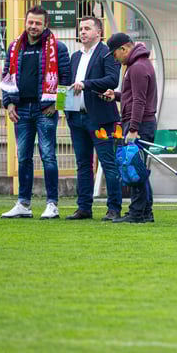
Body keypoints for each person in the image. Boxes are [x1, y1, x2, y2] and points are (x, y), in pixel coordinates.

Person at [0, 6, 71, 219]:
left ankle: (52, 204)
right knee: (23, 158)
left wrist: (57, 105)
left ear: (45, 24)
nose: (33, 26)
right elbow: (6, 77)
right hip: (21, 110)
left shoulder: (58, 48)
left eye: (37, 23)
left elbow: (66, 79)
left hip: (45, 110)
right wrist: (9, 104)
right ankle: (23, 204)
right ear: (25, 22)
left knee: (48, 156)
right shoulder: (14, 47)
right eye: (30, 22)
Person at [65, 16, 123, 222]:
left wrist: (86, 83)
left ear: (98, 32)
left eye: (87, 28)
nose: (82, 32)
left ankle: (114, 208)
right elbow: (69, 85)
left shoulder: (107, 54)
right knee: (82, 164)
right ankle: (84, 207)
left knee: (108, 163)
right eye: (81, 29)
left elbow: (112, 80)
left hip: (100, 118)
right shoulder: (75, 57)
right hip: (77, 118)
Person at [102, 33, 159, 224]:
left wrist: (133, 128)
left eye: (115, 54)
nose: (115, 58)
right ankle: (144, 212)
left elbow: (139, 101)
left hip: (139, 124)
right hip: (141, 122)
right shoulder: (138, 65)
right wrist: (117, 96)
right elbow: (132, 96)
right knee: (138, 169)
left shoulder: (137, 68)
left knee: (133, 168)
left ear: (124, 49)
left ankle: (137, 213)